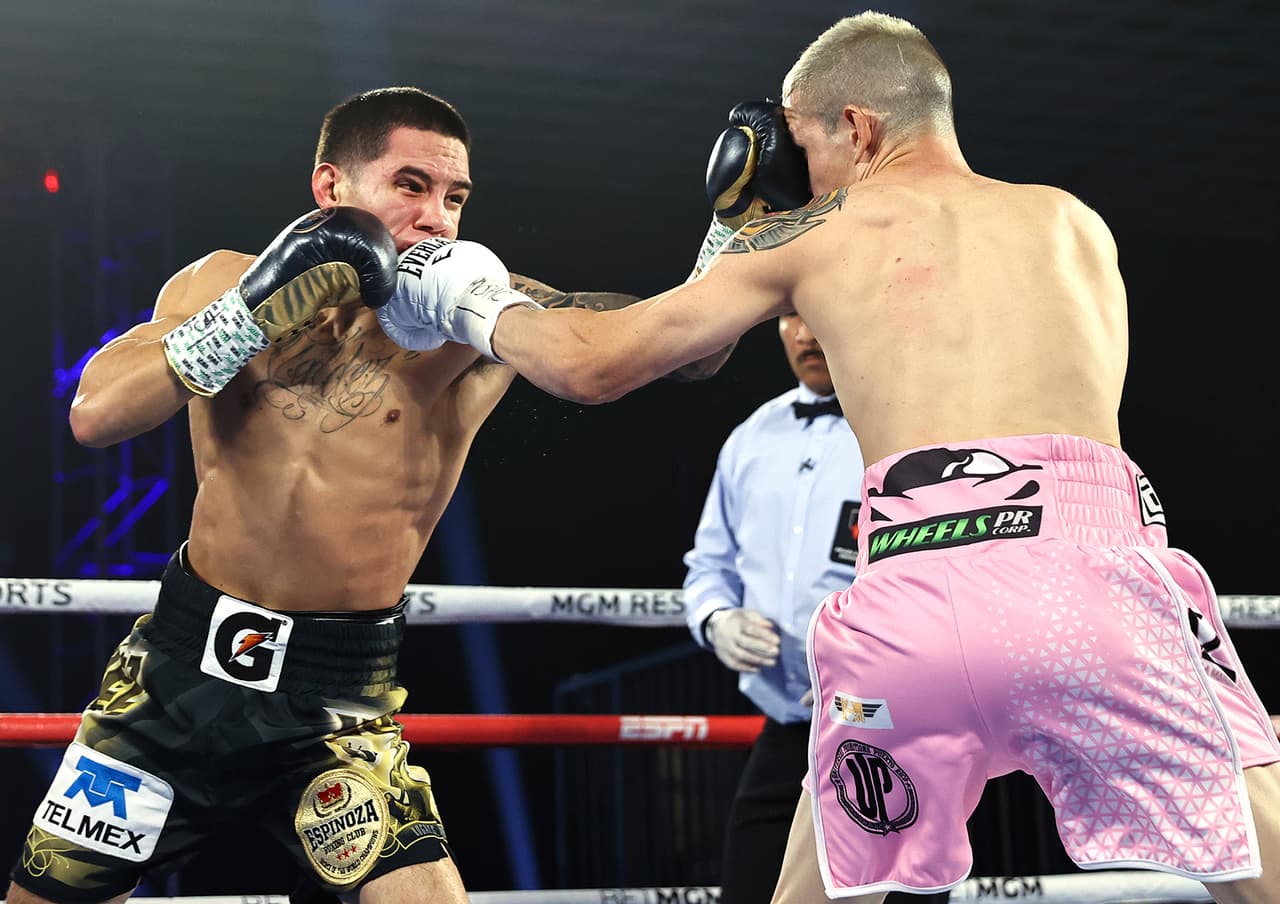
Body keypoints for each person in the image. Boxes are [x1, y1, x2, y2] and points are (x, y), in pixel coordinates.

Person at [374, 12, 1280, 904]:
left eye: (802, 148)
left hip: (911, 611)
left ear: (855, 127)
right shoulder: (1072, 224)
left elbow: (594, 364)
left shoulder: (815, 236)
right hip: (1095, 589)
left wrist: (466, 298)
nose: (797, 178)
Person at [6, 86, 661, 904]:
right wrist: (246, 315)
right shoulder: (224, 280)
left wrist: (739, 255)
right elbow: (95, 413)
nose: (438, 220)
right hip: (173, 682)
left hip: (338, 704)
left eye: (455, 197)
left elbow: (639, 347)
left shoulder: (481, 315)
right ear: (332, 189)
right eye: (411, 186)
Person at [684, 313, 868, 904]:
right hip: (789, 729)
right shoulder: (751, 437)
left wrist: (875, 655)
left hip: (887, 727)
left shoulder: (904, 427)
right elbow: (708, 566)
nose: (809, 333)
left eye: (822, 314)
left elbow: (947, 570)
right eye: (792, 316)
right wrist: (718, 620)